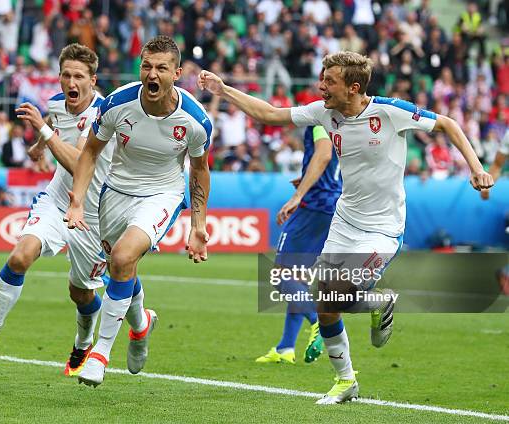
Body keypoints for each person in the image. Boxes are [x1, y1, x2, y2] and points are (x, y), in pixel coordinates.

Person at [198, 51, 493, 403]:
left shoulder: (388, 111)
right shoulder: (324, 111)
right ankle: (346, 381)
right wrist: (224, 89)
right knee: (326, 303)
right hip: (344, 220)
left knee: (338, 290)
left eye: (330, 81)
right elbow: (270, 114)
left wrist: (476, 167)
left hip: (383, 228)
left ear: (353, 88)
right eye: (323, 78)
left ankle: (378, 303)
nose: (321, 86)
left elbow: (447, 124)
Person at [0, 44, 115, 378]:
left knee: (81, 292)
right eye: (66, 75)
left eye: (79, 76)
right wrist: (39, 146)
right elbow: (56, 128)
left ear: (93, 80)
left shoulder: (105, 114)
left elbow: (78, 163)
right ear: (59, 77)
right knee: (19, 257)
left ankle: (84, 344)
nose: (71, 82)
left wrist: (42, 131)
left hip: (93, 211)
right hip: (58, 200)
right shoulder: (57, 104)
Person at [64, 35, 212, 387]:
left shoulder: (195, 120)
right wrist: (77, 201)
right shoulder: (117, 104)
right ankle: (141, 323)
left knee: (122, 257)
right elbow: (90, 152)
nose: (152, 74)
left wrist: (198, 226)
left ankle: (100, 353)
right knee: (120, 264)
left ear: (176, 73)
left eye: (161, 68)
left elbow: (200, 169)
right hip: (116, 190)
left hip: (162, 193)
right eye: (147, 66)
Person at [256, 124, 340, 366]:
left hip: (313, 207)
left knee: (280, 277)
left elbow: (323, 154)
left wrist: (299, 195)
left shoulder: (320, 123)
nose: (322, 85)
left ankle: (318, 321)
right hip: (332, 206)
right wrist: (307, 179)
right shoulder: (346, 125)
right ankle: (285, 347)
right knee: (298, 280)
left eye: (327, 82)